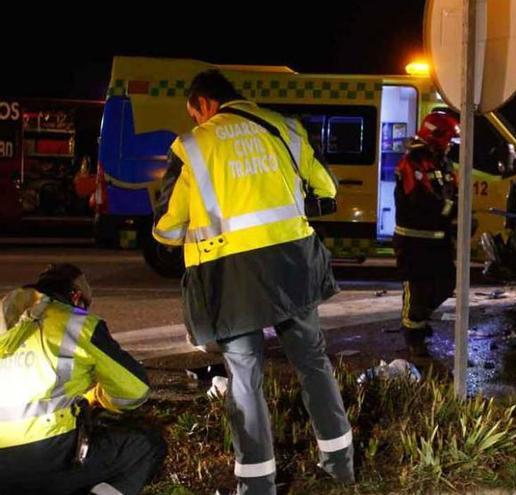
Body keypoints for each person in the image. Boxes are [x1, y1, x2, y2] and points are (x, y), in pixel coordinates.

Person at [152, 69, 353, 493]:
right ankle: (339, 467)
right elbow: (327, 188)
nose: (196, 123)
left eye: (195, 114)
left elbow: (168, 227)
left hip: (231, 275)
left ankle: (258, 484)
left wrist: (172, 232)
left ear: (204, 104)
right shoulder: (286, 129)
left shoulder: (193, 145)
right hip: (293, 264)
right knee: (313, 364)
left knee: (244, 376)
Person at [0, 263, 165, 495]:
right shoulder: (76, 323)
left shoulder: (6, 321)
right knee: (146, 447)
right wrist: (96, 397)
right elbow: (135, 391)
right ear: (76, 297)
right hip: (47, 456)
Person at [393, 110, 460, 357]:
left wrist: (459, 213)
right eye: (448, 139)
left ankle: (419, 321)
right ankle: (414, 340)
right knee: (417, 291)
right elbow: (420, 200)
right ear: (436, 136)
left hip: (438, 241)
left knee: (447, 282)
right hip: (413, 242)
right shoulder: (412, 162)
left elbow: (452, 191)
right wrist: (451, 210)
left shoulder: (442, 161)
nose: (450, 145)